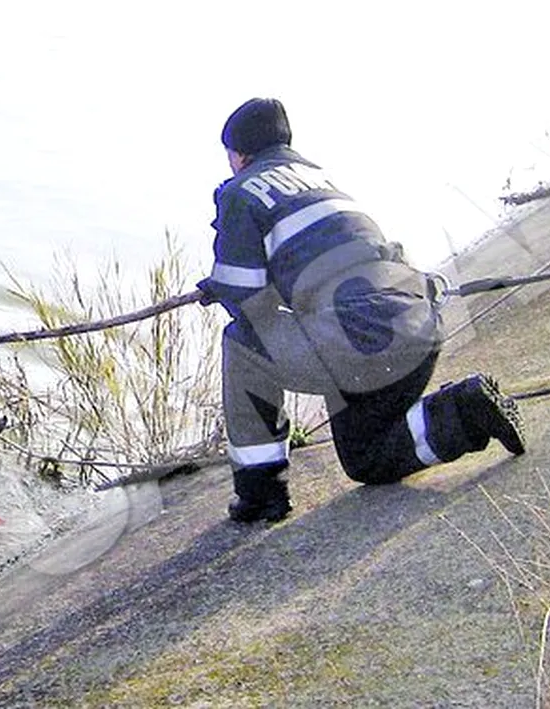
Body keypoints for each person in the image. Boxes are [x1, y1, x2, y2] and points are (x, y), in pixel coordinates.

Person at [197, 97, 526, 523]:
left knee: (241, 344)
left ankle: (262, 492)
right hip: (415, 329)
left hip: (353, 342)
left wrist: (217, 285)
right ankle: (466, 410)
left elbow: (243, 296)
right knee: (367, 459)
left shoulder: (242, 191)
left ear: (238, 154)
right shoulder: (321, 179)